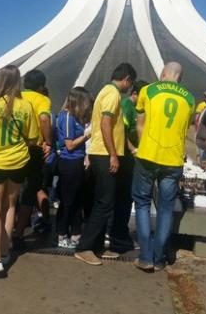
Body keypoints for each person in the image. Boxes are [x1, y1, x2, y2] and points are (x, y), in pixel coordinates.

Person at [0, 65, 39, 277]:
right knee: (10, 206)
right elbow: (33, 139)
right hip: (19, 162)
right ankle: (4, 251)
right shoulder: (27, 106)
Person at [133, 62, 195, 272]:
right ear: (180, 77)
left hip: (148, 156)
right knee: (166, 208)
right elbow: (183, 131)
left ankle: (145, 256)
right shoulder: (189, 99)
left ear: (163, 73)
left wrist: (143, 147)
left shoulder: (147, 90)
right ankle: (159, 259)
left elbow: (139, 123)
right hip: (173, 160)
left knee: (142, 203)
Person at [74, 62, 136, 266]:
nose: (129, 87)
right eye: (130, 83)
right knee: (105, 202)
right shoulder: (112, 94)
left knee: (103, 200)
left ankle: (97, 246)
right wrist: (113, 155)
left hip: (100, 152)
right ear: (126, 79)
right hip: (103, 153)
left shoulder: (106, 92)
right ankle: (84, 247)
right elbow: (105, 123)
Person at [14, 69, 53, 248]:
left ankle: (5, 230)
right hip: (32, 149)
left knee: (11, 191)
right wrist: (48, 141)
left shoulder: (14, 97)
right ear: (41, 86)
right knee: (30, 191)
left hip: (11, 149)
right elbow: (44, 119)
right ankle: (19, 234)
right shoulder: (42, 99)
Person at [110, 79, 148, 253]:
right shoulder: (126, 105)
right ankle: (117, 236)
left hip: (132, 158)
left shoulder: (141, 109)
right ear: (135, 94)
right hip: (125, 157)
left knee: (127, 198)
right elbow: (120, 132)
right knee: (123, 198)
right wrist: (133, 150)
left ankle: (120, 232)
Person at [55, 87, 92, 248]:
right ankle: (61, 233)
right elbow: (69, 145)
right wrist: (87, 135)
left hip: (76, 161)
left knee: (76, 200)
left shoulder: (73, 117)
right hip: (69, 162)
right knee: (68, 201)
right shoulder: (68, 117)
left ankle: (76, 233)